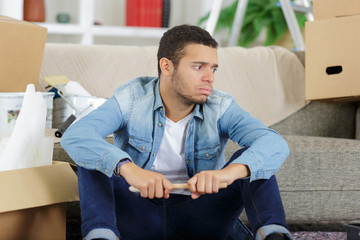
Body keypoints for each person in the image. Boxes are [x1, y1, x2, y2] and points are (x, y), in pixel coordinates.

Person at [61, 24, 293, 240]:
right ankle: (101, 236)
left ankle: (274, 236)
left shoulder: (221, 106)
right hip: (138, 213)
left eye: (213, 68)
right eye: (198, 66)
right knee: (93, 158)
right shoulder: (131, 98)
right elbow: (78, 135)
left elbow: (273, 143)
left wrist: (225, 174)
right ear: (167, 66)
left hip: (202, 215)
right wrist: (129, 170)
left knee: (256, 160)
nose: (209, 77)